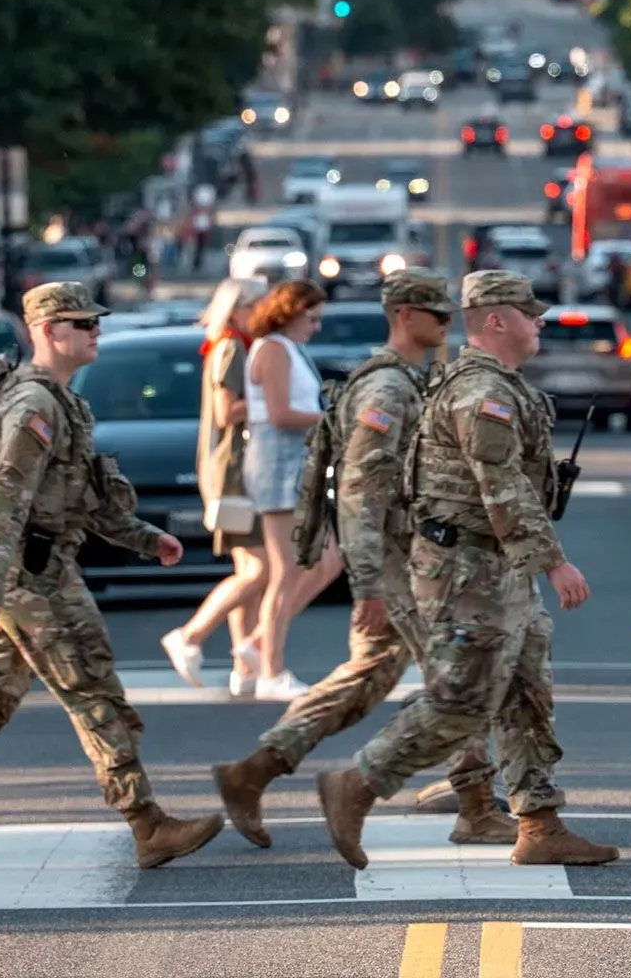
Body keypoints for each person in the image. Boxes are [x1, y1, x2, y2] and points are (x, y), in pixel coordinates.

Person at [0, 282, 223, 874]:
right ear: (46, 331)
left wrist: (146, 538)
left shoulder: (60, 402)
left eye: (94, 322)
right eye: (82, 323)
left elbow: (83, 501)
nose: (95, 331)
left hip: (26, 573)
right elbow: (2, 500)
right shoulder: (34, 407)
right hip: (34, 576)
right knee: (92, 689)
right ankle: (148, 823)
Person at [315, 270, 620, 871]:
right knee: (464, 699)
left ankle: (538, 822)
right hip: (465, 566)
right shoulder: (484, 393)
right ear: (497, 320)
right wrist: (554, 562)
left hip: (495, 562)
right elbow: (499, 485)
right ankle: (356, 784)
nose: (540, 323)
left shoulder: (498, 385)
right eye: (529, 313)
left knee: (526, 690)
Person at [211, 271, 513, 849]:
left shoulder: (408, 380)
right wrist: (370, 582)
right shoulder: (387, 390)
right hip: (402, 565)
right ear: (403, 313)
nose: (448, 325)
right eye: (437, 315)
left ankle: (252, 773)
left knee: (363, 680)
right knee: (458, 681)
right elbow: (358, 490)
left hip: (411, 557)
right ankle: (474, 805)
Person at [161, 277, 272, 697]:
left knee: (247, 569)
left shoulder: (231, 345)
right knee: (263, 569)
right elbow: (227, 412)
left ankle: (243, 666)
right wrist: (274, 400)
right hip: (233, 473)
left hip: (234, 471)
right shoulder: (232, 347)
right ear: (241, 308)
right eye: (260, 305)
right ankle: (190, 636)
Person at [244, 279, 342, 699]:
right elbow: (282, 413)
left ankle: (259, 644)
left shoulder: (289, 348)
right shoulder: (271, 349)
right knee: (286, 568)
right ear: (290, 312)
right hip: (277, 464)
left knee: (329, 560)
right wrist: (333, 420)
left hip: (299, 463)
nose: (316, 326)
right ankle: (270, 671)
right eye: (312, 317)